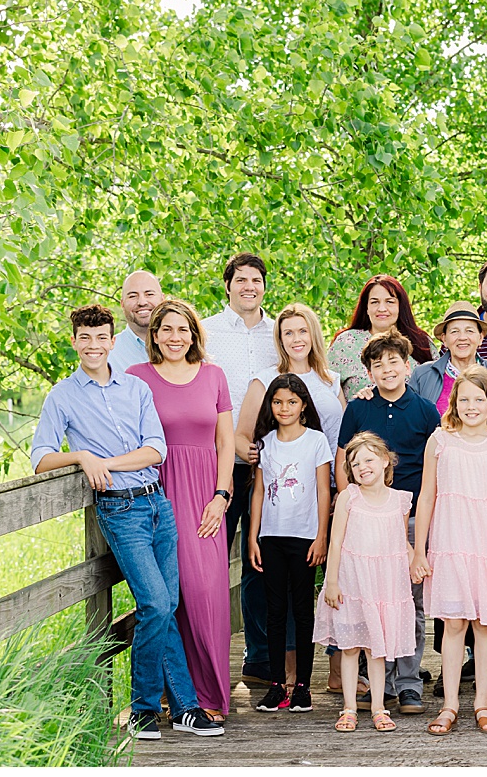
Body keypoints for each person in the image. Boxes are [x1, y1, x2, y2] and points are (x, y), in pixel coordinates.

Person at [31, 304, 222, 739]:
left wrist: (106, 462)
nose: (94, 345)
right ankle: (142, 709)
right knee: (156, 603)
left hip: (159, 505)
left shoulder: (135, 389)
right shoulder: (62, 396)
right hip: (120, 510)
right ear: (75, 342)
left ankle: (186, 708)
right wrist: (81, 455)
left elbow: (157, 449)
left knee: (166, 606)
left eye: (101, 338)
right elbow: (41, 457)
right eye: (85, 337)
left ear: (112, 342)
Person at [127, 300, 234, 722]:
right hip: (156, 492)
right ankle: (176, 696)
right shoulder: (137, 378)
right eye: (166, 329)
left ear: (194, 334)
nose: (175, 337)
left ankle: (209, 694)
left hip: (206, 494)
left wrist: (222, 495)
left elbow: (225, 442)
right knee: (168, 597)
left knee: (205, 592)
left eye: (183, 329)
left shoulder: (214, 376)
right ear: (154, 335)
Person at [410, 367, 487, 736]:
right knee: (454, 624)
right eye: (464, 399)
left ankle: (483, 703)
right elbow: (427, 497)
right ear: (454, 403)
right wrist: (419, 550)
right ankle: (450, 705)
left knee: (486, 626)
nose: (471, 406)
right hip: (450, 544)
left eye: (479, 399)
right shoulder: (441, 440)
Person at [334, 331, 440, 715]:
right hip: (366, 521)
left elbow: (437, 466)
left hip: (411, 518)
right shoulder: (359, 409)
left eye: (393, 361)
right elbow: (344, 459)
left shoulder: (426, 410)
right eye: (378, 365)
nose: (386, 369)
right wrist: (351, 504)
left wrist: (424, 526)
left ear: (407, 366)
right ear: (369, 373)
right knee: (368, 599)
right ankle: (375, 682)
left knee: (408, 604)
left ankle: (408, 684)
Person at [203, 252, 280, 687]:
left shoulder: (279, 333)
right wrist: (231, 443)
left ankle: (260, 654)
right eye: (241, 279)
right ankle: (208, 653)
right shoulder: (208, 333)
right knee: (211, 560)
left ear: (264, 286)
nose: (249, 286)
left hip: (269, 466)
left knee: (260, 561)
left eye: (256, 280)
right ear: (228, 285)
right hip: (219, 466)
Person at [314, 433, 416, 733]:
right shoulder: (349, 497)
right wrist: (330, 582)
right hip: (352, 584)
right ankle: (348, 707)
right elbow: (336, 543)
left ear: (386, 461)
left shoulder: (400, 500)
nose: (362, 467)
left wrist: (417, 562)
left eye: (369, 459)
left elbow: (401, 541)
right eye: (355, 463)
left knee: (376, 650)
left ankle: (379, 707)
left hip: (384, 585)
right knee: (350, 648)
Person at [249, 374, 333, 713]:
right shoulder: (265, 443)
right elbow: (258, 491)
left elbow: (324, 491)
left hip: (305, 536)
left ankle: (302, 686)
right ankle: (275, 685)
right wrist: (254, 537)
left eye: (292, 402)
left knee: (301, 610)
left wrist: (322, 536)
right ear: (271, 406)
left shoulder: (315, 441)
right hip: (271, 536)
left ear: (303, 406)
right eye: (278, 402)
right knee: (274, 612)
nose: (285, 408)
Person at [236, 304, 347, 479]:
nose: (296, 339)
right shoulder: (265, 381)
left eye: (303, 331)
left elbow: (346, 435)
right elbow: (241, 436)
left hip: (333, 481)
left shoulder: (330, 380)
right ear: (280, 340)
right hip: (286, 483)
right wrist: (255, 457)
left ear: (313, 335)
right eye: (288, 333)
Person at [328, 274, 436, 400]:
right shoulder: (346, 343)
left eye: (390, 302)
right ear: (366, 308)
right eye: (374, 302)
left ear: (400, 306)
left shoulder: (422, 343)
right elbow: (326, 391)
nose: (382, 308)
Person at [408, 300, 487, 415]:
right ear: (444, 339)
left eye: (469, 331)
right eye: (454, 331)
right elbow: (412, 420)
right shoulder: (423, 375)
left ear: (480, 338)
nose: (462, 337)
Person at [107, 270, 163, 373]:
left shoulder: (184, 345)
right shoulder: (108, 354)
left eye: (149, 294)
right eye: (132, 296)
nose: (142, 302)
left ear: (162, 299)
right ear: (122, 304)